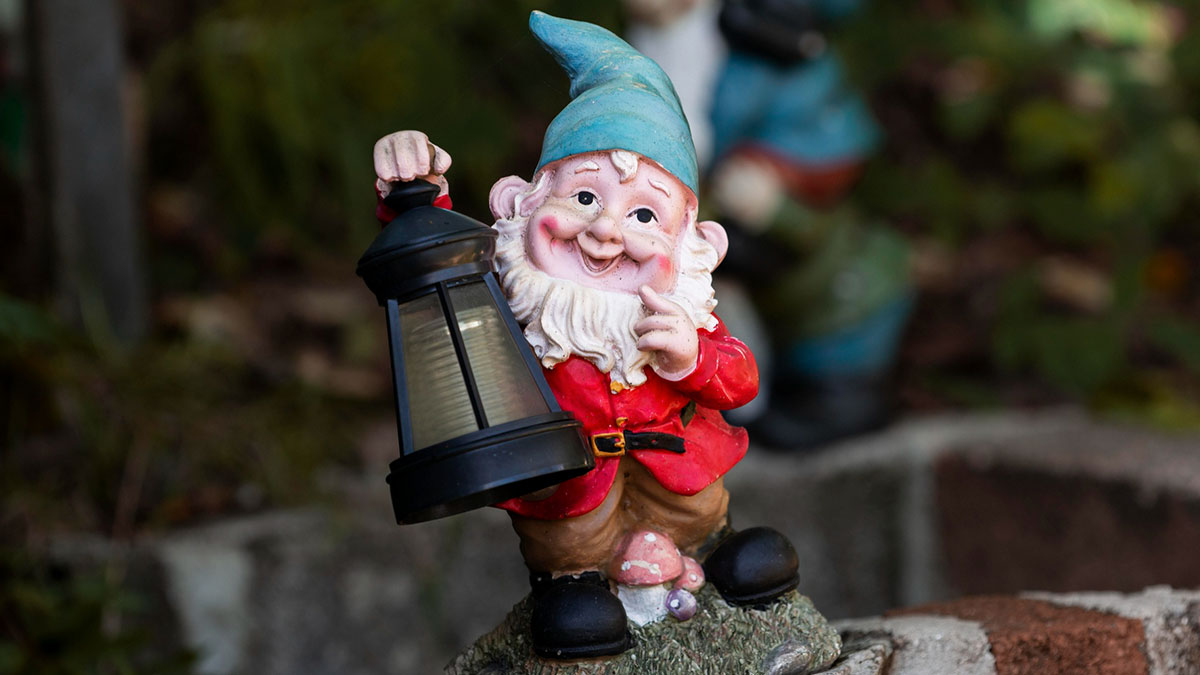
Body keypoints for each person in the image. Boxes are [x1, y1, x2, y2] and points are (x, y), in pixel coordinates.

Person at [373, 12, 803, 660]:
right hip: (572, 502)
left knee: (740, 550)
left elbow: (740, 379)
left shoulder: (682, 310)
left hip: (682, 490)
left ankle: (709, 553)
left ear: (693, 243)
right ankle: (573, 588)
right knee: (577, 610)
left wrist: (691, 356)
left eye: (644, 214)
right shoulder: (517, 299)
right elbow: (433, 261)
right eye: (582, 198)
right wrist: (415, 190)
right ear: (522, 202)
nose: (605, 231)